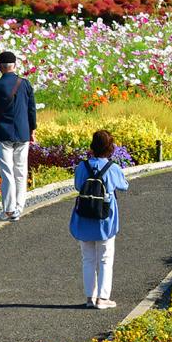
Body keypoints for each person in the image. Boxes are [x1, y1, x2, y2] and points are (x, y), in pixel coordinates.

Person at [69, 129, 129, 309]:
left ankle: (90, 297)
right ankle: (103, 298)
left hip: (84, 216)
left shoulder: (82, 167)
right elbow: (124, 186)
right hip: (105, 217)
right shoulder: (113, 168)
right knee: (105, 258)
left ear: (92, 146)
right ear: (110, 148)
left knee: (87, 258)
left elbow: (78, 185)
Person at [0, 51, 36, 222]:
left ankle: (8, 210)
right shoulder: (25, 84)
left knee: (7, 171)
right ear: (14, 65)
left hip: (3, 133)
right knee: (21, 171)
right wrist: (32, 129)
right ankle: (18, 208)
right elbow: (31, 109)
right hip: (23, 133)